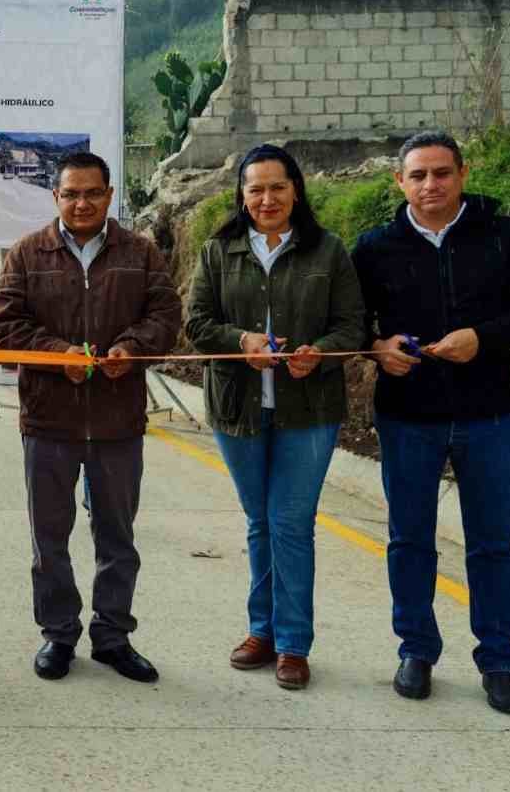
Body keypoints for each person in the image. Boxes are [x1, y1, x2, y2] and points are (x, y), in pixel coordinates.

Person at [351, 130, 510, 716]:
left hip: (489, 413)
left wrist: (481, 339)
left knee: (492, 545)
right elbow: (351, 323)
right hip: (408, 417)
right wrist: (377, 347)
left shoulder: (504, 235)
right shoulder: (374, 247)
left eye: (441, 173)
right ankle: (416, 649)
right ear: (400, 182)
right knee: (409, 540)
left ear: (463, 173)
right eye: (417, 175)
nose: (429, 185)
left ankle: (498, 661)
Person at [0, 152, 181, 683]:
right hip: (49, 422)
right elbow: (6, 324)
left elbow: (166, 316)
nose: (81, 203)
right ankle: (58, 635)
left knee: (117, 537)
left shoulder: (139, 253)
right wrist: (59, 354)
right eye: (71, 194)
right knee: (49, 539)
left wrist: (129, 348)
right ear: (55, 197)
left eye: (92, 193)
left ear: (109, 194)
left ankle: (113, 636)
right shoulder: (28, 253)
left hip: (119, 423)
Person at [186, 144, 366, 691]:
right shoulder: (219, 252)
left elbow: (353, 326)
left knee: (290, 523)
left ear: (296, 190)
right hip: (237, 409)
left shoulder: (327, 251)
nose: (267, 198)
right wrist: (240, 341)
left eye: (277, 187)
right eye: (255, 189)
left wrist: (319, 350)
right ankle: (260, 631)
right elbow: (196, 323)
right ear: (241, 196)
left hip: (307, 412)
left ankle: (292, 644)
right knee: (260, 521)